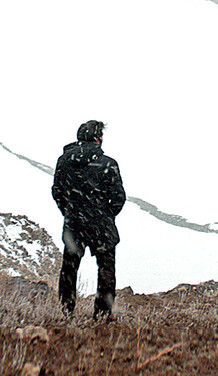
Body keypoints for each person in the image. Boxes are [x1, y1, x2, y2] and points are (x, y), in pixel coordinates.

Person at [52, 119, 126, 319]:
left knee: (69, 268)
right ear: (97, 139)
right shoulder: (108, 164)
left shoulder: (64, 161)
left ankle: (65, 311)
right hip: (101, 224)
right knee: (106, 269)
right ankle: (102, 314)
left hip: (74, 223)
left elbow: (57, 192)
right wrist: (105, 214)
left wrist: (69, 211)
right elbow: (119, 197)